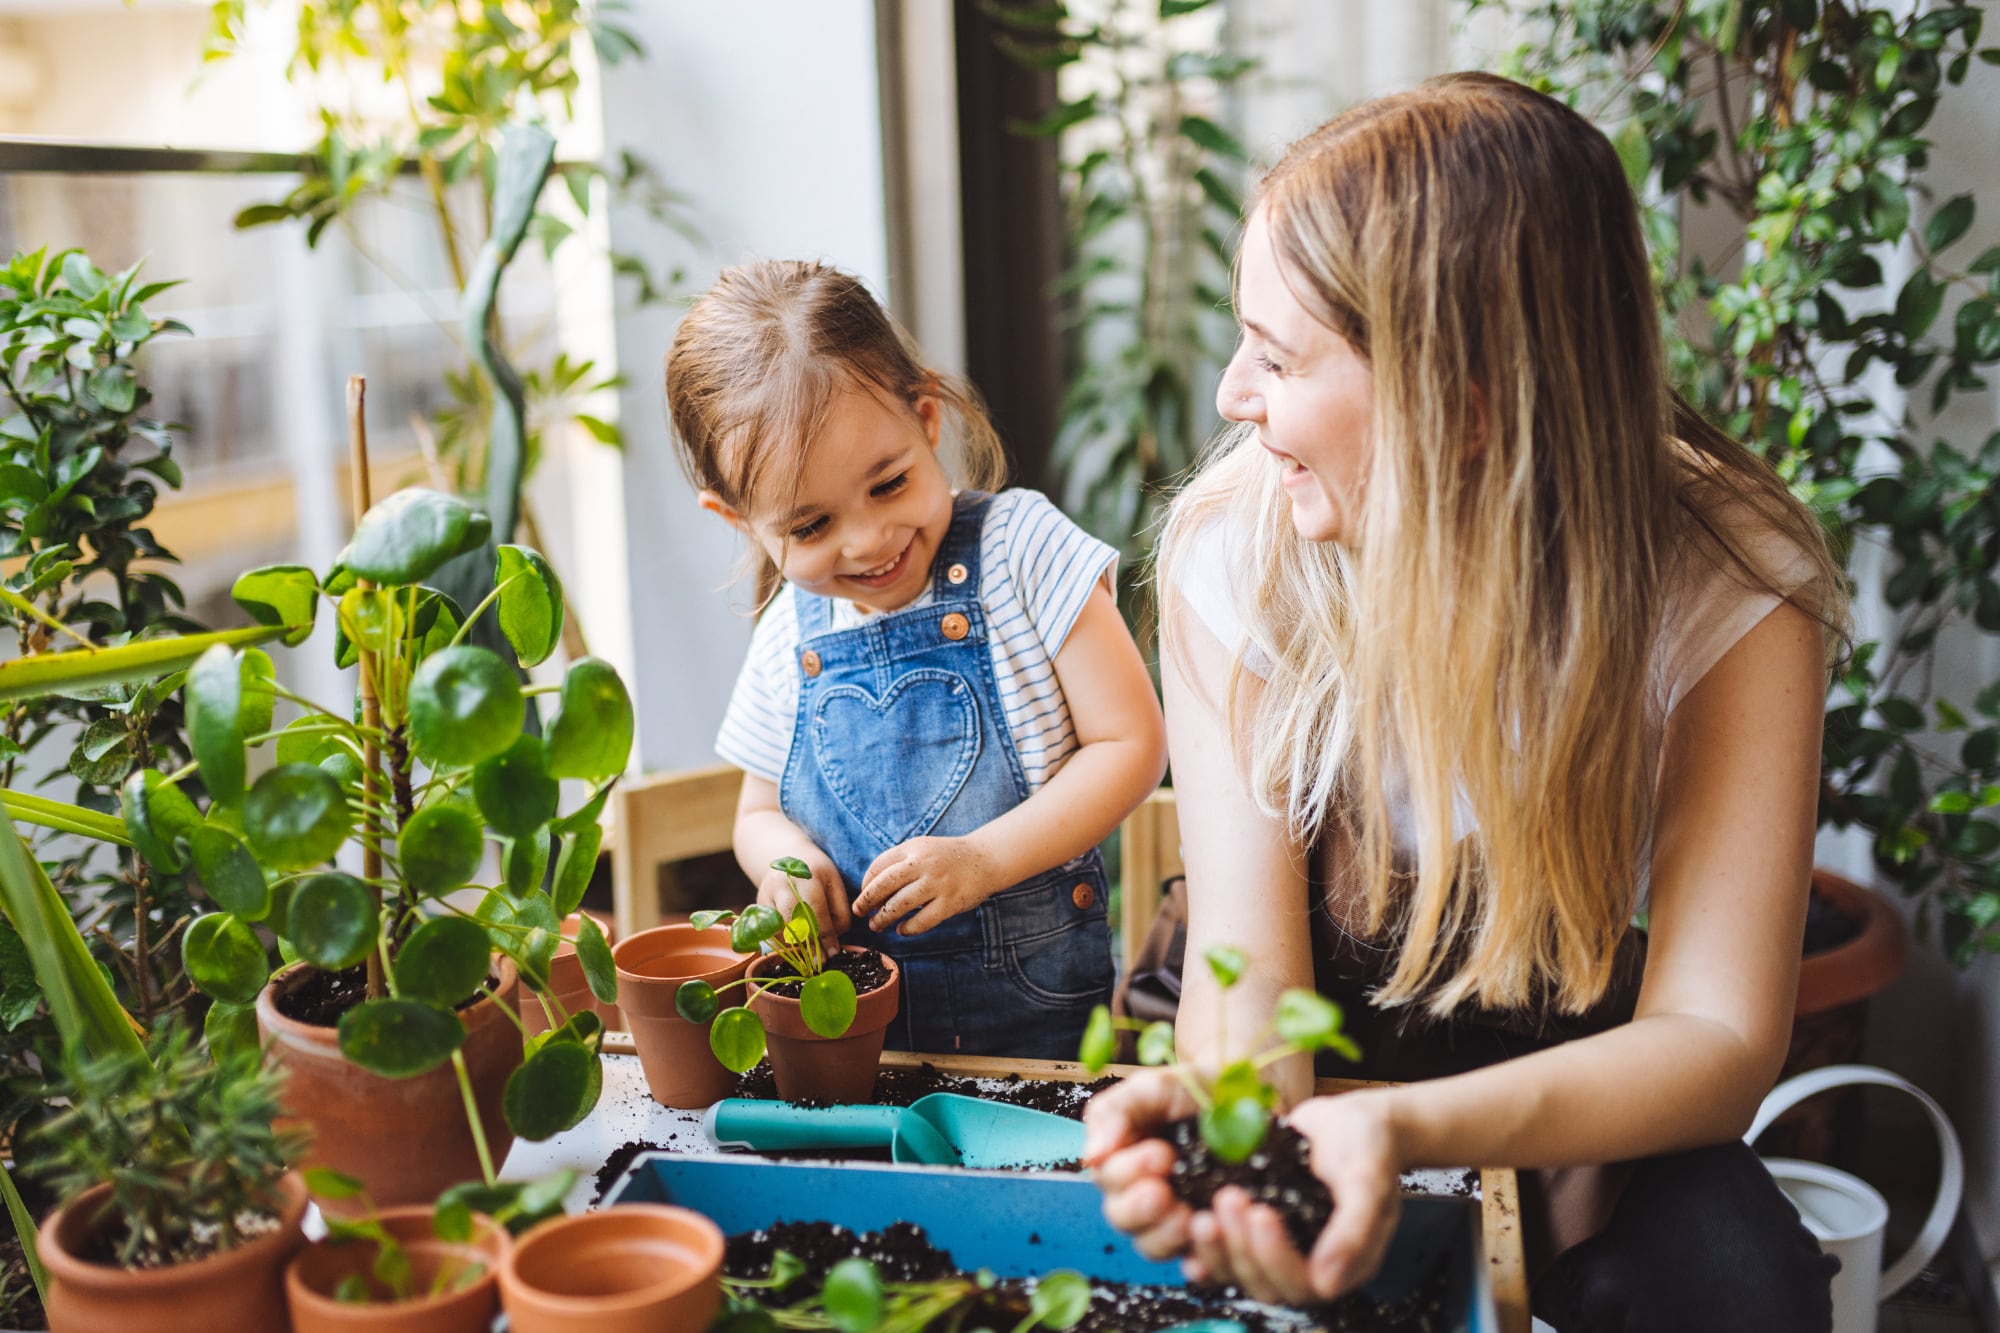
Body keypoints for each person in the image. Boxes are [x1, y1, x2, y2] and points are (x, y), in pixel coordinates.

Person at [1081, 73, 1845, 1330]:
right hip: (1300, 1016)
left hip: (1565, 1044)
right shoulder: (1238, 545)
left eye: (1275, 356)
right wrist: (1242, 1150)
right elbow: (1252, 981)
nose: (1229, 394)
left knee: (1737, 1288)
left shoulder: (1727, 582)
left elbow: (1713, 1032)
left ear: (1464, 404)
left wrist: (1400, 1126)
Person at [668, 260, 1167, 1060]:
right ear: (737, 519)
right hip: (862, 1049)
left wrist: (984, 859)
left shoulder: (1022, 551)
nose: (867, 541)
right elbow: (757, 815)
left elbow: (1132, 746)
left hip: (1036, 1042)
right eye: (809, 526)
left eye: (890, 483)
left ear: (928, 417)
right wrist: (788, 866)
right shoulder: (785, 635)